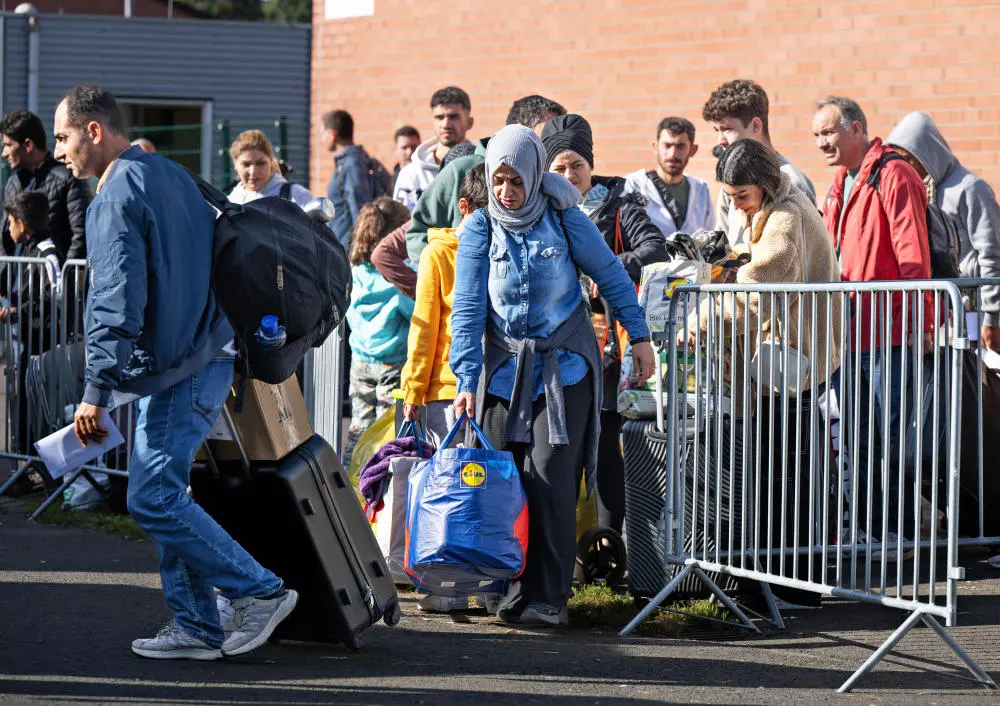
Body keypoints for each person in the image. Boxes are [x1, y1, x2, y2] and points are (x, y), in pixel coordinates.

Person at [56, 85, 297, 661]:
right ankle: (196, 623)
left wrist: (96, 389)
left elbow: (116, 295)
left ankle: (257, 591)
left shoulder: (114, 195)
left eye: (64, 136)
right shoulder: (168, 173)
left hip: (177, 367)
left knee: (153, 498)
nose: (60, 149)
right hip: (200, 356)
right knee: (166, 493)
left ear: (94, 131)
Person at [450, 125, 654, 627]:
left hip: (564, 369)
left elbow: (610, 274)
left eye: (515, 180)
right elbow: (469, 309)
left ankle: (551, 595)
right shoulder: (480, 229)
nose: (505, 191)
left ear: (534, 174)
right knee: (505, 481)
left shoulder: (563, 218)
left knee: (549, 477)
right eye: (497, 181)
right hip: (502, 373)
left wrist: (641, 336)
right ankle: (508, 586)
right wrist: (466, 380)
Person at [683, 139, 842, 606]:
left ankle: (783, 582)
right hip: (787, 362)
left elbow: (759, 293)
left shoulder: (787, 218)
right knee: (782, 472)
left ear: (766, 184)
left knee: (779, 475)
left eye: (742, 195)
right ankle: (786, 580)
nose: (735, 204)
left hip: (788, 364)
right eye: (731, 196)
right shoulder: (776, 207)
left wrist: (703, 320)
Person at [813, 95, 932, 547]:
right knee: (859, 440)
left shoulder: (893, 173)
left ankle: (899, 531)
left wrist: (921, 321)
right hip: (850, 336)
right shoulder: (840, 181)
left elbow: (912, 256)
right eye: (817, 135)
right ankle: (869, 529)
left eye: (829, 132)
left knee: (890, 440)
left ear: (856, 129)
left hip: (890, 334)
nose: (822, 143)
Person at [541, 113, 666, 538]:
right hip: (554, 350)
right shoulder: (538, 211)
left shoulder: (620, 208)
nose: (569, 175)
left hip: (609, 350)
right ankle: (567, 551)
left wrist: (610, 268)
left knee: (609, 450)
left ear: (591, 165)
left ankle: (612, 548)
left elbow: (655, 248)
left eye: (576, 165)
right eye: (558, 168)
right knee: (561, 452)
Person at [402, 94, 566, 270]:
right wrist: (446, 279)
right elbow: (416, 233)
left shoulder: (551, 181)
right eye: (547, 135)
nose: (553, 144)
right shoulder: (461, 171)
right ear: (518, 131)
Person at [886, 111, 1000, 351]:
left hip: (973, 308)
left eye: (908, 157)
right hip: (945, 309)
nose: (905, 165)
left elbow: (992, 253)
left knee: (976, 379)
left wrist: (992, 317)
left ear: (928, 150)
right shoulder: (921, 189)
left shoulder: (970, 188)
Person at [343, 197, 415, 469]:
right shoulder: (395, 277)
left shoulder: (355, 272)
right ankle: (378, 489)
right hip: (393, 363)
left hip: (360, 361)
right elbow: (415, 309)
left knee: (359, 427)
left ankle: (350, 482)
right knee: (386, 432)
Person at [702, 80, 816, 248]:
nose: (720, 141)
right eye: (717, 131)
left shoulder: (792, 182)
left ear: (755, 125)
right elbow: (723, 249)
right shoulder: (730, 184)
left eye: (727, 129)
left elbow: (804, 258)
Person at [1, 109, 90, 260]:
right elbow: (5, 234)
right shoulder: (13, 182)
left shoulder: (67, 178)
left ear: (28, 145)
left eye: (9, 145)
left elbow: (80, 233)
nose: (4, 153)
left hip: (50, 280)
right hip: (19, 280)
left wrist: (63, 277)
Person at [624, 117, 714, 236]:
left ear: (693, 150)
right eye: (667, 145)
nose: (673, 154)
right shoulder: (633, 184)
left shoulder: (701, 189)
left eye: (680, 146)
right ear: (655, 147)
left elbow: (709, 236)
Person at [393, 86, 474, 211]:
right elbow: (399, 223)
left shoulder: (481, 168)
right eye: (439, 117)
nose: (445, 124)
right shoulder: (410, 174)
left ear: (469, 122)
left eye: (453, 117)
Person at [321, 109, 390, 248]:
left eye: (323, 132)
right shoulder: (352, 161)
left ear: (333, 134)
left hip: (349, 250)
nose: (321, 138)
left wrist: (358, 250)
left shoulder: (351, 163)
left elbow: (360, 209)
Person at [227, 129, 313, 208]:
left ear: (271, 161)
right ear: (235, 165)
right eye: (246, 164)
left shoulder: (296, 195)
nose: (253, 171)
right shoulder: (230, 201)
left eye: (260, 163)